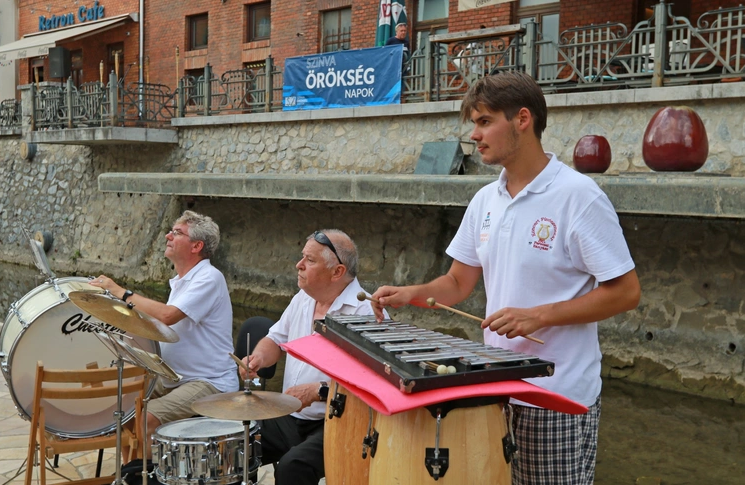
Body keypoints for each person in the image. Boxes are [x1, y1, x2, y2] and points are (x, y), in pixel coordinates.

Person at [371, 71, 641, 485]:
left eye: (484, 122)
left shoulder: (579, 196)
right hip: (495, 389)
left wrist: (538, 316)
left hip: (555, 396)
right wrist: (411, 294)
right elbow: (457, 283)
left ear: (522, 119)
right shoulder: (485, 199)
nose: (474, 135)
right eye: (474, 123)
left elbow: (626, 292)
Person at [240, 229, 381, 485]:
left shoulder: (366, 314)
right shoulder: (304, 297)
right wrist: (258, 357)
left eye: (310, 260)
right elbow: (276, 339)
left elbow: (373, 384)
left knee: (293, 468)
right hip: (290, 415)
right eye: (302, 256)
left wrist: (318, 390)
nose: (299, 264)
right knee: (236, 444)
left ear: (337, 272)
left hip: (338, 422)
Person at [91, 210, 239, 452]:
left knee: (145, 418)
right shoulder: (182, 281)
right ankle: (131, 469)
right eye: (171, 231)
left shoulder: (209, 278)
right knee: (122, 408)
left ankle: (147, 471)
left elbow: (168, 316)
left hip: (208, 381)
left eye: (177, 233)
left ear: (196, 246)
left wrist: (121, 293)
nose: (168, 236)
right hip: (174, 375)